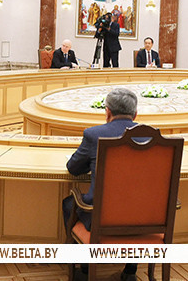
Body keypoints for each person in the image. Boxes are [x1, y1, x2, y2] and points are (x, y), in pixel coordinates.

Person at [63, 87, 140, 280]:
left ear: (107, 112)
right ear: (135, 114)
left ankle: (85, 268)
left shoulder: (94, 134)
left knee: (68, 204)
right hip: (144, 217)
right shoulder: (150, 136)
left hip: (102, 217)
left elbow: (73, 168)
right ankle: (130, 271)